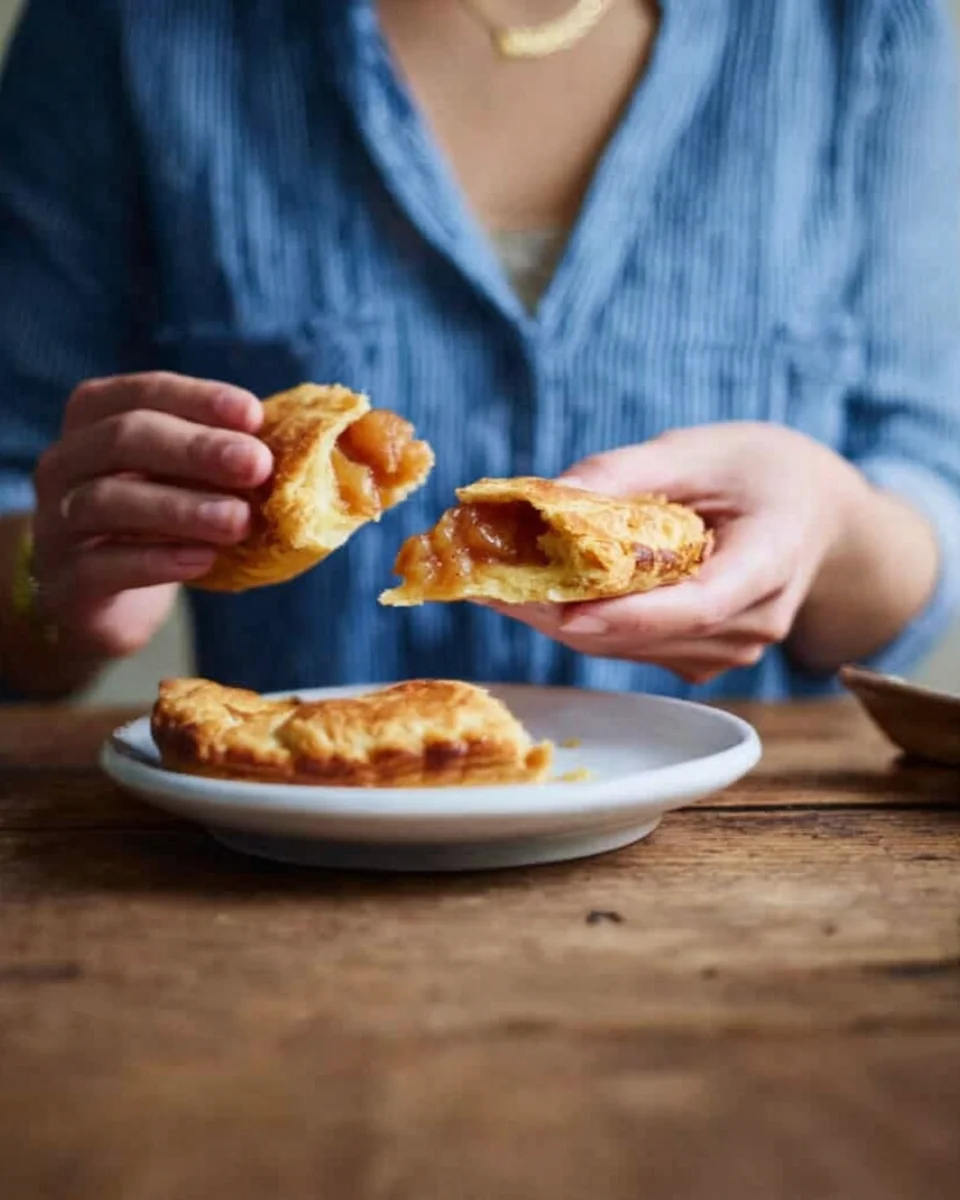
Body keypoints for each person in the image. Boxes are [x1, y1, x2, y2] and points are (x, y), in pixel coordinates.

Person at [1, 0, 959, 703]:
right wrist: (54, 589)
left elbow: (925, 498)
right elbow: (21, 519)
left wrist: (830, 527)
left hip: (744, 867)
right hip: (289, 874)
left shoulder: (863, 26)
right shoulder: (123, 26)